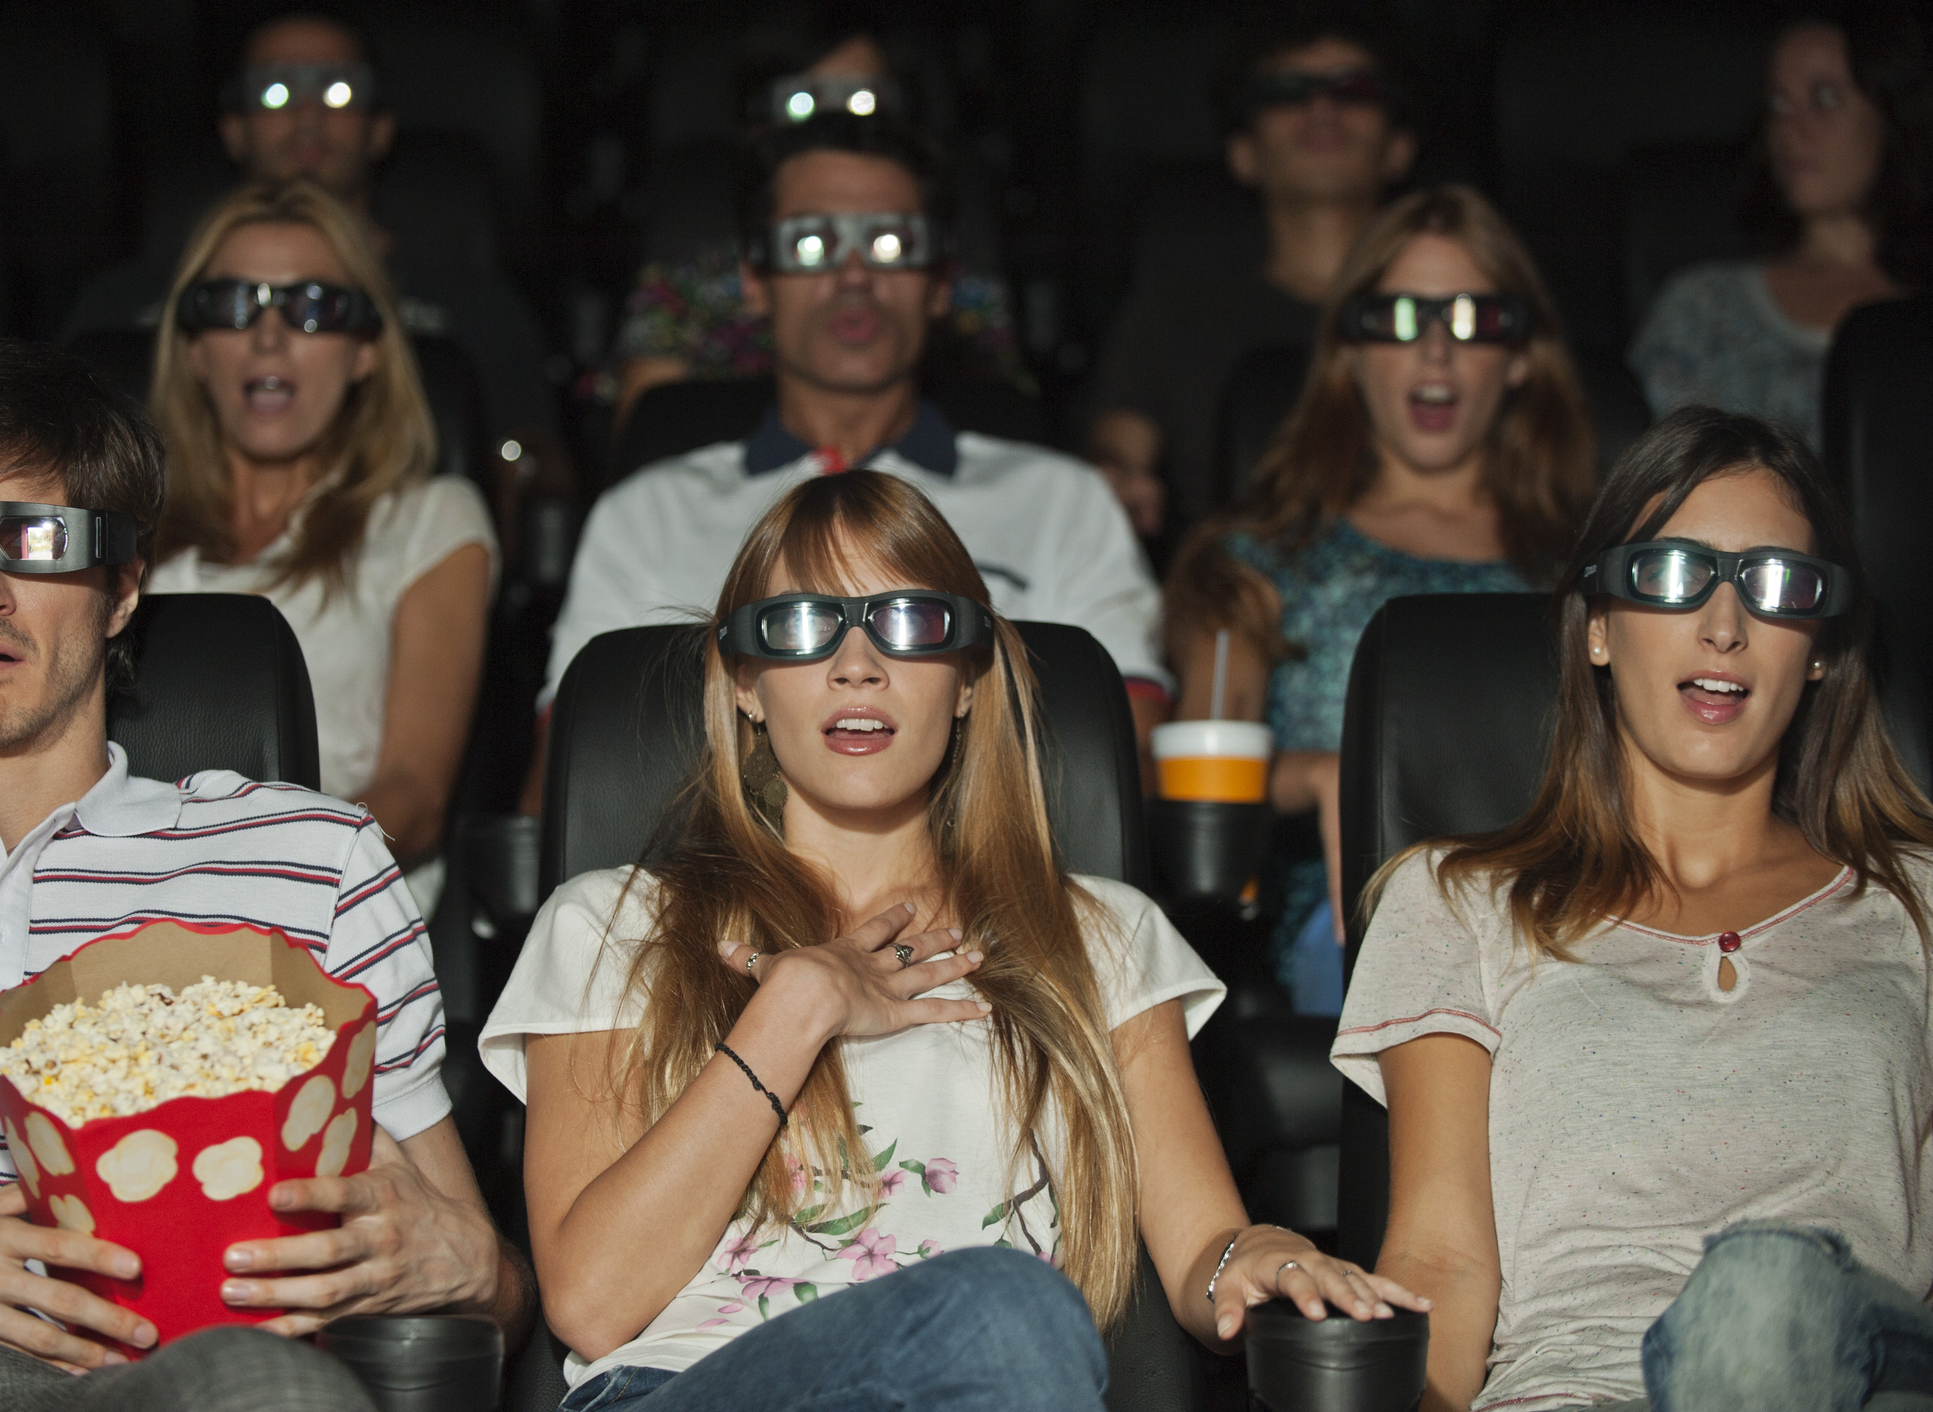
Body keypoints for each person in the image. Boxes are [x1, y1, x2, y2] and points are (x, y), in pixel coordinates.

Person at [481, 469, 1425, 1407]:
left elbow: (1203, 1249)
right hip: (687, 1387)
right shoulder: (614, 923)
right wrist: (795, 1009)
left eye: (910, 623)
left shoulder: (1101, 935)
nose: (858, 664)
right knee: (1007, 1305)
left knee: (1005, 1317)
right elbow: (591, 1301)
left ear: (969, 679)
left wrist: (1266, 1253)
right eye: (805, 625)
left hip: (992, 1377)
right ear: (746, 687)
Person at [0, 342, 531, 1408]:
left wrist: (472, 1271)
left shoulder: (310, 857)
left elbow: (487, 1291)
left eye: (36, 540)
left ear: (121, 588)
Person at [1335, 406, 1933, 1412]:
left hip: (1857, 1372)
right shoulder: (1454, 898)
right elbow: (1439, 1259)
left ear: (1820, 648)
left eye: (1776, 584)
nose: (1724, 624)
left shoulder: (1913, 899)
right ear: (1600, 626)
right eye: (1671, 574)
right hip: (1569, 1389)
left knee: (1757, 1294)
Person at [530, 113, 1170, 812]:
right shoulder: (646, 514)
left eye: (893, 243)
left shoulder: (1060, 502)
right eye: (811, 244)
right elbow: (576, 784)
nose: (855, 274)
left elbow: (1116, 774)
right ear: (753, 279)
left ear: (941, 281)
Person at [1160, 184, 1595, 1012]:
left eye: (1472, 321)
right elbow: (1199, 780)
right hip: (1352, 920)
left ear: (1522, 357)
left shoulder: (1597, 566)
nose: (1435, 352)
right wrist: (1329, 776)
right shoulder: (1258, 556)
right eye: (1399, 319)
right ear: (1348, 355)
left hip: (1565, 906)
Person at [144, 179, 496, 911]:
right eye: (235, 305)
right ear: (194, 350)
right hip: (128, 904)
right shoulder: (122, 536)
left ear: (366, 350)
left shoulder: (429, 521)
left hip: (332, 911)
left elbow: (416, 793)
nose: (269, 336)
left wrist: (258, 880)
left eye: (312, 309)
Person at [63, 7, 560, 472]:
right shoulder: (121, 307)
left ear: (379, 128)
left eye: (338, 89)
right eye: (275, 90)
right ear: (233, 130)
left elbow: (535, 471)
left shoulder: (474, 307)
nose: (307, 116)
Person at [1087, 4, 1417, 536]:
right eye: (1288, 92)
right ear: (1243, 153)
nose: (1322, 107)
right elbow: (1117, 449)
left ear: (1399, 148)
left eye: (1353, 90)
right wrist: (1112, 483)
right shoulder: (1180, 308)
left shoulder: (1451, 309)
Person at [605, 13, 1023, 432]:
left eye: (863, 105)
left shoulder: (937, 272)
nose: (835, 129)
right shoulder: (689, 281)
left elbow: (1001, 421)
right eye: (804, 104)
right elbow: (646, 431)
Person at [1629, 2, 1931, 450]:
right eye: (1778, 104)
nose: (1792, 128)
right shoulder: (1704, 309)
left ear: (1891, 116)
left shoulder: (1917, 313)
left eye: (1824, 98)